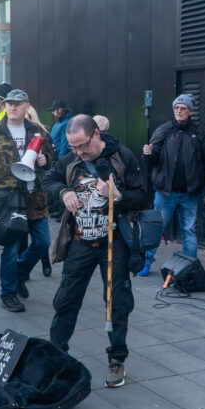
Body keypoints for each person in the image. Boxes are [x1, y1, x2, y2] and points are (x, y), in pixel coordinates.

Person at [43, 115, 146, 387]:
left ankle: (117, 359)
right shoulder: (70, 161)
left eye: (82, 146)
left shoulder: (122, 157)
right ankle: (56, 355)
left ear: (96, 134)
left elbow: (142, 195)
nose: (78, 152)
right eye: (73, 146)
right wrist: (64, 191)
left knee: (117, 303)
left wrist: (117, 195)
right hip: (80, 243)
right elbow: (49, 180)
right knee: (65, 300)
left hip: (114, 243)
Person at [0, 89, 54, 312]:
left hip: (35, 198)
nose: (13, 107)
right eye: (9, 104)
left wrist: (46, 160)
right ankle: (8, 293)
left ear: (27, 106)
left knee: (43, 242)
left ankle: (19, 275)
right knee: (11, 247)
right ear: (4, 106)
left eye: (18, 104)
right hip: (7, 200)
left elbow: (52, 159)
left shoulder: (38, 131)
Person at [140, 93, 205, 276]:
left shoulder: (199, 134)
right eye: (177, 108)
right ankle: (145, 263)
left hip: (190, 193)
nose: (179, 111)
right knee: (157, 228)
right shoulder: (163, 131)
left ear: (190, 111)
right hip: (166, 193)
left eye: (183, 108)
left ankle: (189, 269)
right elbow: (151, 161)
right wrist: (147, 154)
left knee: (189, 230)